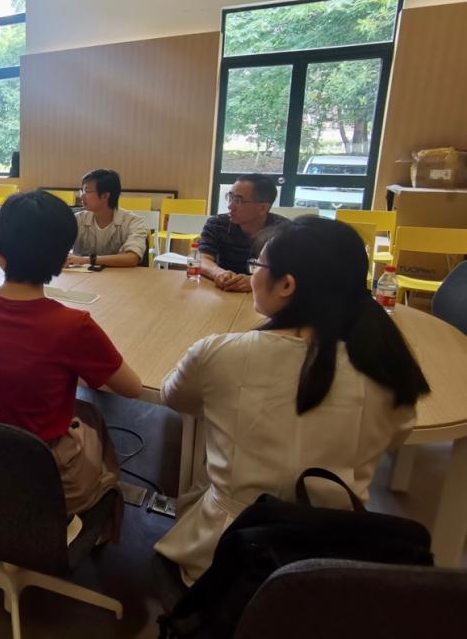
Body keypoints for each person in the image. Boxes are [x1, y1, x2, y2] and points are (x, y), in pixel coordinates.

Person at [155, 217, 430, 586]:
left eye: (257, 265)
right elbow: (394, 435)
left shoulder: (221, 353)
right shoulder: (385, 365)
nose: (253, 274)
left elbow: (175, 396)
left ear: (286, 284)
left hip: (227, 553)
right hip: (338, 557)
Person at [0, 191, 143, 538]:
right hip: (43, 475)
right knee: (94, 420)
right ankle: (93, 521)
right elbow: (132, 388)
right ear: (62, 257)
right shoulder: (73, 326)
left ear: (0, 252)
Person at [199, 173, 287, 292]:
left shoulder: (283, 231)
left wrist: (254, 281)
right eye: (230, 198)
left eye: (238, 200)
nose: (230, 206)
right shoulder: (217, 224)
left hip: (262, 296)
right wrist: (218, 273)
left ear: (263, 208)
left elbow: (291, 272)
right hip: (222, 291)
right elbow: (203, 259)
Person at [66, 168, 149, 268]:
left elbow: (132, 258)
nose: (81, 197)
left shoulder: (133, 222)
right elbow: (57, 246)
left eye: (87, 191)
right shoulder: (77, 219)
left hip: (120, 276)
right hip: (82, 276)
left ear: (105, 196)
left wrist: (88, 260)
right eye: (82, 191)